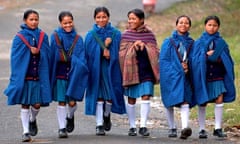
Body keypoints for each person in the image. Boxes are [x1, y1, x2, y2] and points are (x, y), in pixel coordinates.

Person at [3, 9, 52, 142]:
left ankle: (32, 119)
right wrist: (28, 53)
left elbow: (48, 55)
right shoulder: (19, 38)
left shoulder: (43, 36)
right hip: (25, 77)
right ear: (25, 21)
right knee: (25, 104)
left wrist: (39, 52)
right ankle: (25, 132)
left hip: (38, 77)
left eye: (36, 19)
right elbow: (15, 58)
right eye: (31, 19)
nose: (34, 22)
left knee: (36, 104)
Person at [191, 15, 236, 138]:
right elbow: (194, 60)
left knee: (219, 99)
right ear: (205, 26)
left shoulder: (221, 43)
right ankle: (201, 129)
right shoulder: (199, 42)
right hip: (203, 76)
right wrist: (206, 56)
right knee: (203, 101)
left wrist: (217, 57)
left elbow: (228, 60)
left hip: (217, 76)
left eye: (215, 25)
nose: (212, 28)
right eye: (209, 25)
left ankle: (217, 128)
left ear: (218, 27)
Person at [84, 6, 126, 136]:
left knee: (110, 97)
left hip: (111, 69)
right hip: (96, 70)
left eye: (104, 17)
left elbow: (121, 53)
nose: (101, 19)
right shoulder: (91, 35)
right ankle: (99, 124)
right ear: (94, 19)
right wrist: (102, 50)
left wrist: (110, 53)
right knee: (99, 97)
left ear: (108, 17)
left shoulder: (116, 34)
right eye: (98, 17)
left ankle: (106, 115)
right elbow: (88, 54)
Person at [119, 8, 159, 137]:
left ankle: (143, 126)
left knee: (146, 96)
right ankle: (132, 126)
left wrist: (144, 46)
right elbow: (121, 54)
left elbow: (156, 51)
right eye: (130, 18)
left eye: (134, 19)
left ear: (141, 20)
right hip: (131, 72)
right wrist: (132, 47)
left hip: (146, 70)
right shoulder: (125, 35)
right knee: (131, 99)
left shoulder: (150, 35)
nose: (131, 21)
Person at [50, 11, 86, 138]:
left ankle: (70, 116)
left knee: (71, 103)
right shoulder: (54, 36)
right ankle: (62, 128)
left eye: (70, 22)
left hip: (73, 74)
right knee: (61, 101)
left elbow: (81, 58)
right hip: (60, 73)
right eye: (65, 23)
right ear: (60, 23)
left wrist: (72, 59)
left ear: (73, 21)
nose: (68, 25)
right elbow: (52, 55)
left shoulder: (78, 39)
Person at [159, 15, 194, 139]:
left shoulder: (192, 43)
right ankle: (172, 127)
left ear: (189, 26)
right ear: (176, 25)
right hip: (170, 76)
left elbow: (194, 59)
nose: (183, 25)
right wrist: (178, 69)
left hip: (185, 76)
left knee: (185, 100)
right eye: (181, 22)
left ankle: (185, 128)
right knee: (170, 101)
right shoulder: (168, 42)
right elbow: (164, 60)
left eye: (186, 23)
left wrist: (188, 67)